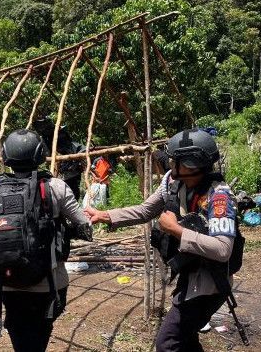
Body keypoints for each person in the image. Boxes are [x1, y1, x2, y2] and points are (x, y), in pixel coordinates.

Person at [85, 129, 238, 351]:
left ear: (191, 163)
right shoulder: (173, 183)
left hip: (209, 283)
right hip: (189, 275)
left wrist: (175, 230)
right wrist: (106, 216)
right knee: (185, 339)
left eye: (176, 161)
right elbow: (145, 210)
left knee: (167, 343)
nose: (170, 165)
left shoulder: (219, 196)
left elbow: (223, 249)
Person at [0, 129, 92, 352]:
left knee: (20, 335)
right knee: (40, 332)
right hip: (49, 283)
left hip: (7, 280)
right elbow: (84, 225)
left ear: (6, 156)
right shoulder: (56, 187)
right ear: (41, 154)